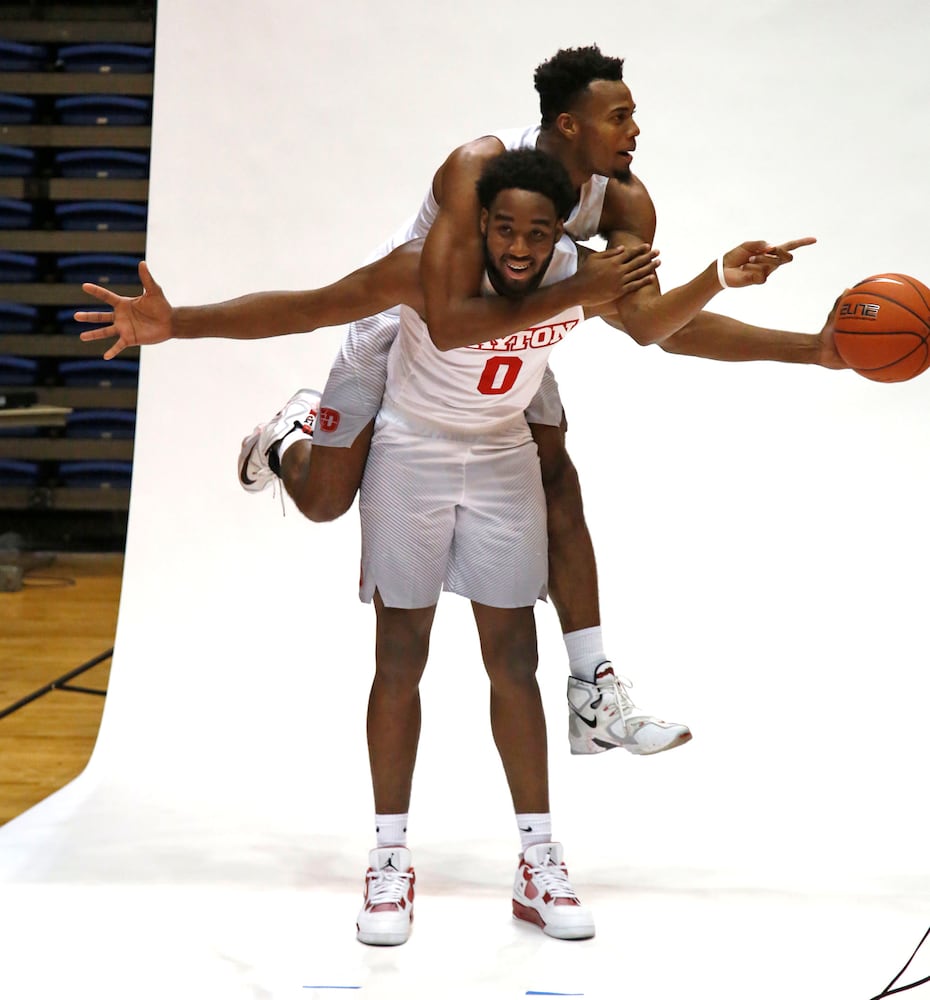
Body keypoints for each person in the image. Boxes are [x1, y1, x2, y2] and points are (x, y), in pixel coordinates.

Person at [76, 146, 815, 945]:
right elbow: (308, 307)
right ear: (481, 228)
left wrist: (716, 275)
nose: (521, 247)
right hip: (407, 451)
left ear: (559, 231)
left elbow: (663, 327)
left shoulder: (579, 268)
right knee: (401, 653)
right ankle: (389, 857)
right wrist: (178, 323)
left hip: (500, 455)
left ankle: (539, 861)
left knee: (513, 659)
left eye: (538, 231)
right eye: (504, 230)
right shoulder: (430, 271)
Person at [77, 44, 837, 761]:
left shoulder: (625, 204)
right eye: (621, 116)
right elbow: (432, 320)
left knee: (557, 477)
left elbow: (652, 328)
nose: (636, 130)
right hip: (408, 333)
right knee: (324, 502)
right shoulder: (477, 168)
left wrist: (805, 342)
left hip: (511, 342)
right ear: (568, 125)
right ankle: (289, 440)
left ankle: (593, 689)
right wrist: (179, 325)